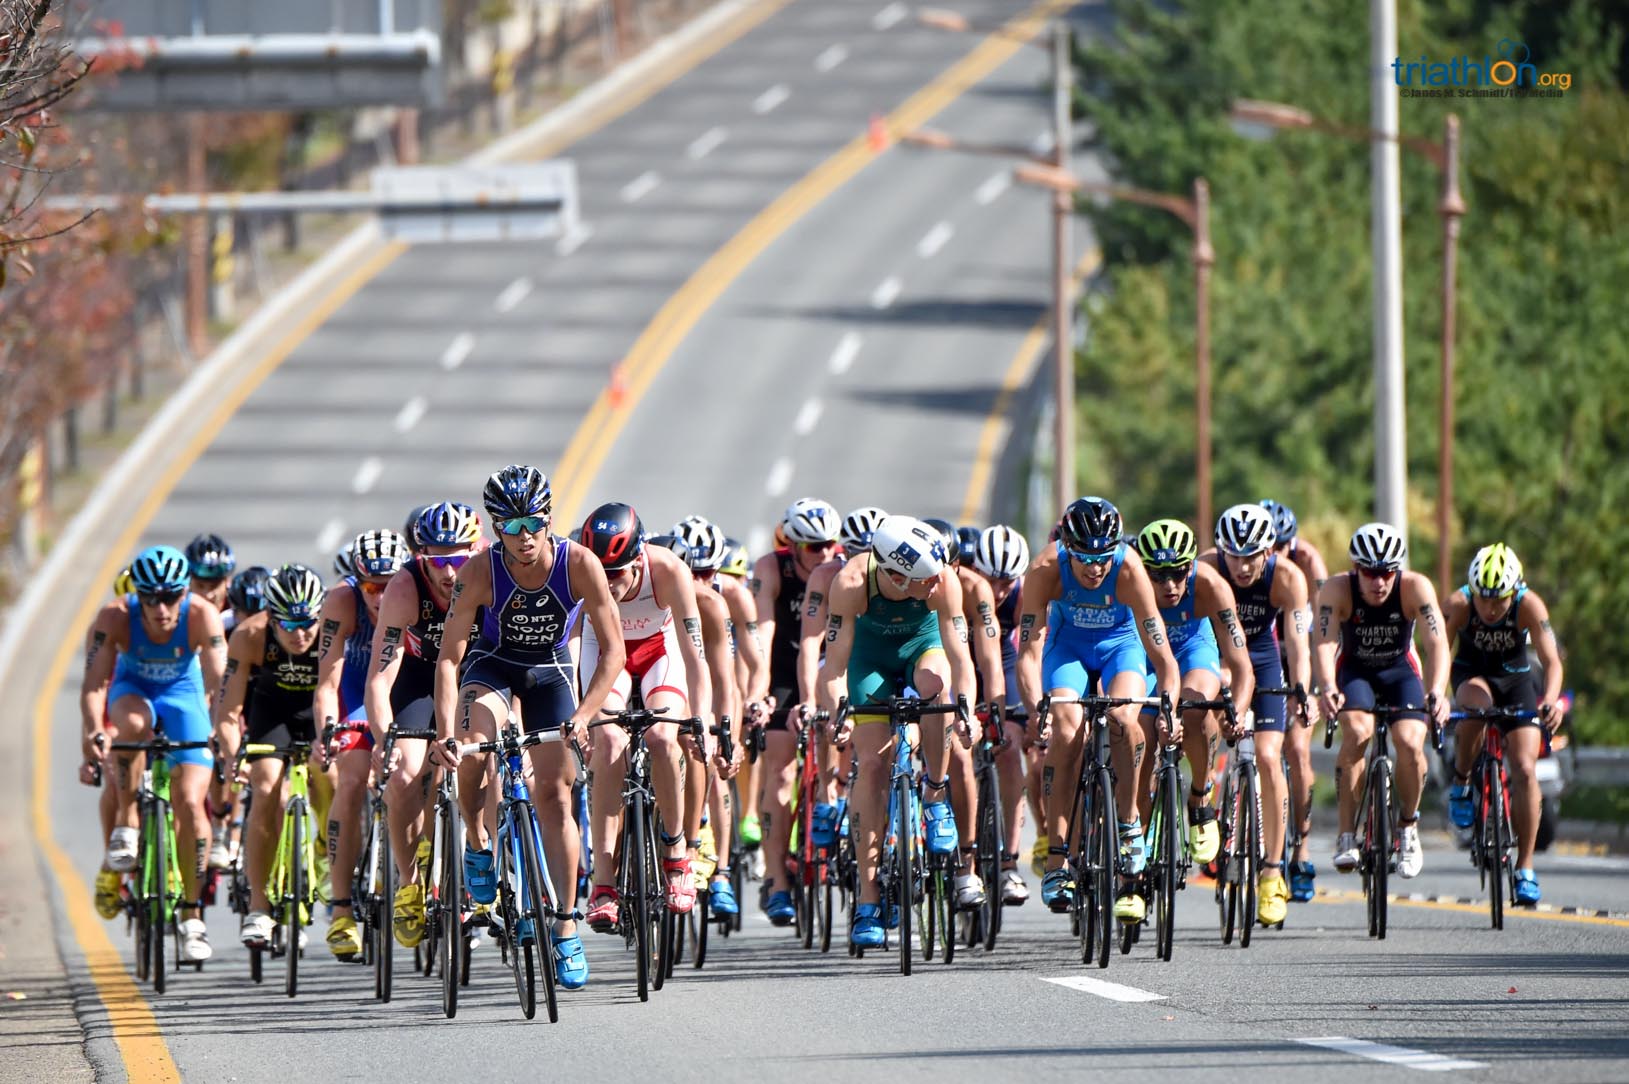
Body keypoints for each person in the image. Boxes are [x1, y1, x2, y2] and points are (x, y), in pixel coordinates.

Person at [432, 465, 625, 991]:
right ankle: (477, 840)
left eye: (533, 522)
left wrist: (584, 715)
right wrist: (446, 732)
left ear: (548, 519)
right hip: (492, 663)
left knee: (556, 795)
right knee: (475, 747)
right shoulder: (479, 571)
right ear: (495, 526)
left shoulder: (579, 563)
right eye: (511, 525)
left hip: (551, 671)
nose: (524, 536)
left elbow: (613, 651)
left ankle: (565, 925)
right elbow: (450, 659)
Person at [1016, 497, 1180, 926]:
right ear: (1068, 548)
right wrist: (1039, 709)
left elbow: (1162, 657)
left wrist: (1169, 708)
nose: (1094, 569)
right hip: (1067, 650)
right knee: (1067, 731)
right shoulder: (1045, 569)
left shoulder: (1128, 569)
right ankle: (1057, 859)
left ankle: (1128, 823)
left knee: (1125, 717)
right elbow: (1029, 655)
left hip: (1120, 647)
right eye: (1085, 559)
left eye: (1102, 558)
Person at [816, 515, 976, 948]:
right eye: (924, 579)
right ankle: (867, 901)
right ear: (894, 575)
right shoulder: (851, 582)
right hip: (870, 660)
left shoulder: (943, 582)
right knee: (870, 765)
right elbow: (832, 669)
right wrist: (839, 715)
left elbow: (961, 659)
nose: (936, 583)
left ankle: (935, 792)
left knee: (936, 688)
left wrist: (969, 711)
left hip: (923, 648)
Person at [81, 544, 227, 962]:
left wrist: (221, 728)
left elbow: (219, 679)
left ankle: (192, 916)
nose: (161, 608)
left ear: (184, 593)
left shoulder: (201, 614)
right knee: (132, 728)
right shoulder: (114, 616)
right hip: (134, 692)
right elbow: (94, 684)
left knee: (189, 801)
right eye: (151, 598)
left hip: (184, 697)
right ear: (137, 596)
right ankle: (128, 821)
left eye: (171, 597)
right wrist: (94, 730)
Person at [578, 503, 711, 924]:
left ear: (638, 559)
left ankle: (676, 853)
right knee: (610, 740)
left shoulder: (668, 570)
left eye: (615, 574)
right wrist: (580, 719)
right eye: (600, 573)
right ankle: (603, 881)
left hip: (658, 651)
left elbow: (695, 656)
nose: (606, 583)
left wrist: (702, 719)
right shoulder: (579, 570)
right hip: (602, 653)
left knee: (661, 737)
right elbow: (565, 651)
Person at [363, 501, 482, 948]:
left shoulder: (490, 569)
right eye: (437, 561)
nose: (450, 572)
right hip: (418, 676)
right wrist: (383, 739)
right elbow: (379, 676)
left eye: (458, 559)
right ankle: (411, 885)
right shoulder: (404, 587)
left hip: (474, 670)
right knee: (405, 771)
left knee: (480, 759)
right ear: (420, 557)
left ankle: (478, 858)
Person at [1135, 520, 1264, 919]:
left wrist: (1237, 714)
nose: (1170, 585)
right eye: (1159, 576)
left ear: (1191, 568)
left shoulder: (1211, 586)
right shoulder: (1128, 585)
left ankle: (1200, 798)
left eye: (1178, 573)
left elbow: (1242, 667)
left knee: (1198, 709)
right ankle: (1133, 849)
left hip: (1193, 649)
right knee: (1137, 736)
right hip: (1143, 654)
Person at [1311, 523, 1450, 880]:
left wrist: (1437, 691)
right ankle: (1346, 837)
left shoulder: (1415, 587)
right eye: (1370, 573)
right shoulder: (1336, 589)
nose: (1379, 582)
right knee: (1357, 733)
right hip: (1355, 670)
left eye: (1387, 572)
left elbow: (1437, 645)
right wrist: (1327, 686)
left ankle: (1407, 827)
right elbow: (1325, 643)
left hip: (1400, 671)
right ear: (1356, 569)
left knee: (1408, 741)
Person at [1200, 503, 1312, 918]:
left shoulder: (1287, 576)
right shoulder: (1207, 569)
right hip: (1217, 656)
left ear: (1269, 551)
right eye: (1235, 556)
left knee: (1267, 756)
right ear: (1220, 551)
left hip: (1264, 659)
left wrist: (1300, 688)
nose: (1244, 567)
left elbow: (1297, 644)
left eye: (1253, 556)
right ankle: (1205, 807)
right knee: (1206, 734)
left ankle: (1270, 873)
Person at [1443, 543, 1564, 905]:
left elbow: (1551, 660)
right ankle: (1462, 781)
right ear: (1473, 592)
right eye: (1485, 599)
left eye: (1501, 600)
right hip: (1473, 676)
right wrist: (1431, 695)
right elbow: (1436, 650)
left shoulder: (1530, 605)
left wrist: (1551, 700)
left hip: (1515, 680)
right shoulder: (1459, 604)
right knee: (1477, 710)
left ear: (1515, 592)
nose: (1492, 608)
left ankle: (1525, 867)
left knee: (1526, 768)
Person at [214, 564, 325, 946]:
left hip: (319, 712)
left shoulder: (333, 627)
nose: (300, 634)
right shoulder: (249, 634)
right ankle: (259, 908)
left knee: (336, 778)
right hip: (271, 713)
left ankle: (329, 849)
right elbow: (227, 711)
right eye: (288, 625)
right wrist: (232, 756)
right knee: (265, 789)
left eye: (307, 623)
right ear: (270, 617)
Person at [313, 528, 411, 958]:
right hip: (354, 697)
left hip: (402, 693)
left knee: (410, 775)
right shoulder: (340, 602)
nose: (380, 595)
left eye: (389, 585)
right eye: (371, 586)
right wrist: (327, 732)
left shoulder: (413, 592)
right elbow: (327, 681)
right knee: (350, 782)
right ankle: (339, 911)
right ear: (357, 581)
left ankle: (420, 877)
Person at [753, 497, 843, 926]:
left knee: (841, 749)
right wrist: (759, 691)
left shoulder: (841, 569)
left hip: (833, 666)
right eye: (812, 547)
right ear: (791, 545)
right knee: (782, 768)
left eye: (829, 545)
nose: (823, 554)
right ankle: (776, 879)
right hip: (784, 671)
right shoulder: (771, 568)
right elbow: (762, 635)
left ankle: (831, 807)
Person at [655, 526, 746, 915]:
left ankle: (699, 853)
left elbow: (726, 681)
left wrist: (726, 736)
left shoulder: (711, 603)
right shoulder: (638, 601)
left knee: (703, 754)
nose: (699, 581)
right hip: (654, 682)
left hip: (697, 686)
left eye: (706, 574)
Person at [1259, 498, 1327, 901]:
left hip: (1302, 647)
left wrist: (1313, 690)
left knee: (1298, 747)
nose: (1278, 555)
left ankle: (1300, 849)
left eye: (1285, 546)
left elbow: (1321, 634)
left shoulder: (1308, 564)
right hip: (1264, 648)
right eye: (1273, 547)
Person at [970, 524, 1034, 905]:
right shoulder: (961, 587)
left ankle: (1009, 862)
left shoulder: (1024, 594)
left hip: (1005, 661)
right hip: (963, 660)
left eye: (1006, 583)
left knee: (1009, 749)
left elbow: (1028, 652)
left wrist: (1029, 706)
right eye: (991, 580)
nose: (997, 592)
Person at [185, 533, 236, 624]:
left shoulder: (241, 613)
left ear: (228, 581)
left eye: (214, 586)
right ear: (188, 582)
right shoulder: (176, 611)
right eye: (200, 586)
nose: (207, 595)